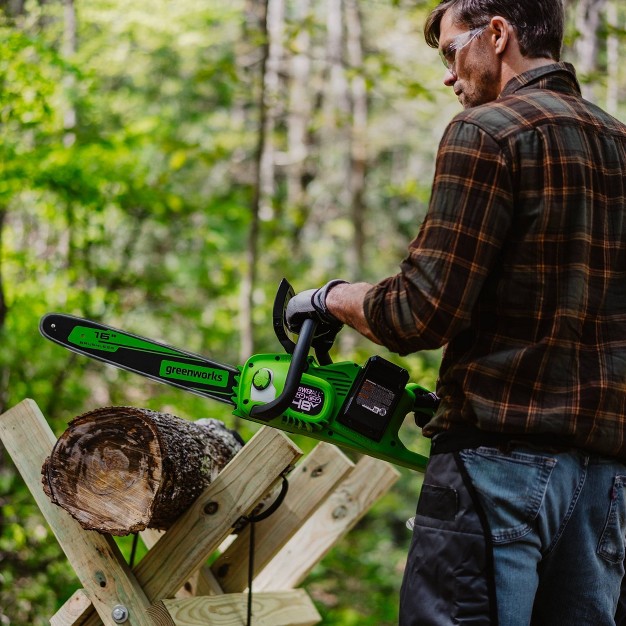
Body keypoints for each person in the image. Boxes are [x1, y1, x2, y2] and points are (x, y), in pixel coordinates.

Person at [285, 0, 626, 624]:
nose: (448, 75)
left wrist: (331, 296)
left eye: (450, 52)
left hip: (495, 467)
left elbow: (421, 312)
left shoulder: (487, 132)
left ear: (496, 35)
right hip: (605, 482)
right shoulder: (618, 142)